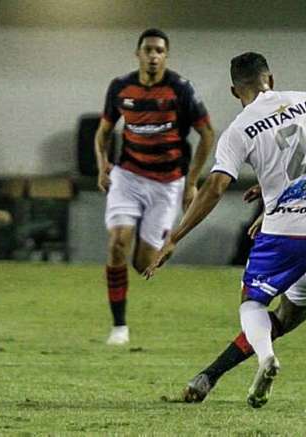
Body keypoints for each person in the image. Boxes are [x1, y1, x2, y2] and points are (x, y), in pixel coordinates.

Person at [144, 52, 306, 408]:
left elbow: (215, 187)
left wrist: (174, 237)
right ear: (272, 79)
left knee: (252, 301)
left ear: (236, 91)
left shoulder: (238, 129)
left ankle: (265, 357)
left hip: (284, 232)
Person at [95, 28, 215, 346]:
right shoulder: (121, 88)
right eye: (148, 50)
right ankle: (119, 327)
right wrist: (101, 165)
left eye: (159, 51)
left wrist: (191, 182)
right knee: (118, 243)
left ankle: (147, 247)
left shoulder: (180, 89)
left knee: (144, 263)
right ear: (138, 54)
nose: (153, 56)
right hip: (128, 177)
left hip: (167, 183)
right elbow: (103, 132)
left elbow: (207, 134)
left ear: (166, 56)